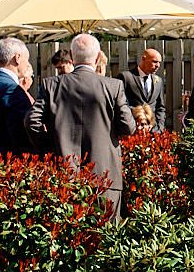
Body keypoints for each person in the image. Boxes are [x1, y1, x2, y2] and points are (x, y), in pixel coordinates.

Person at [28, 33, 136, 212]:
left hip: (62, 171)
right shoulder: (113, 86)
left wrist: (51, 146)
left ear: (71, 55)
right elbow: (128, 126)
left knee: (63, 235)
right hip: (105, 174)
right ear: (99, 56)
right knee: (106, 234)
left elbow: (32, 122)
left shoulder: (51, 85)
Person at [121, 48, 167, 131]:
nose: (158, 65)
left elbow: (160, 107)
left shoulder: (158, 81)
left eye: (159, 63)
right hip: (133, 130)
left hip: (154, 131)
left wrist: (160, 128)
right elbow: (121, 104)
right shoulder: (126, 77)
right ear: (143, 59)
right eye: (154, 61)